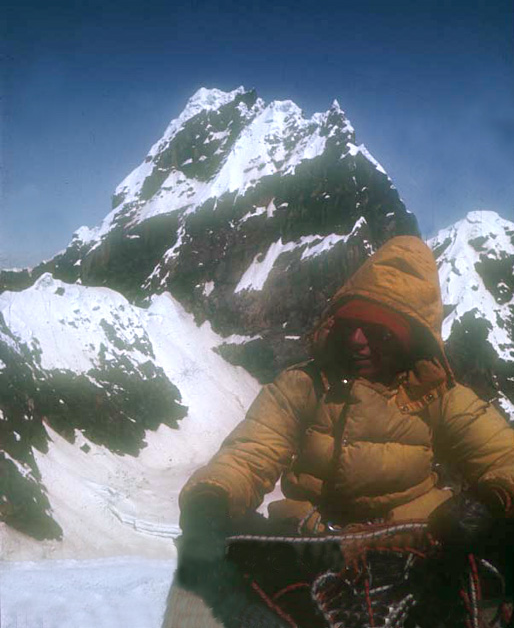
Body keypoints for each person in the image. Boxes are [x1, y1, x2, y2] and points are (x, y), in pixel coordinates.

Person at [175, 236, 514, 627]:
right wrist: (211, 497)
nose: (357, 340)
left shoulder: (438, 394)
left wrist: (491, 499)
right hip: (307, 544)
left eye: (378, 331)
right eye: (352, 324)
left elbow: (504, 458)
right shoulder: (303, 384)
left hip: (418, 545)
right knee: (197, 573)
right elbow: (250, 454)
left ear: (410, 334)